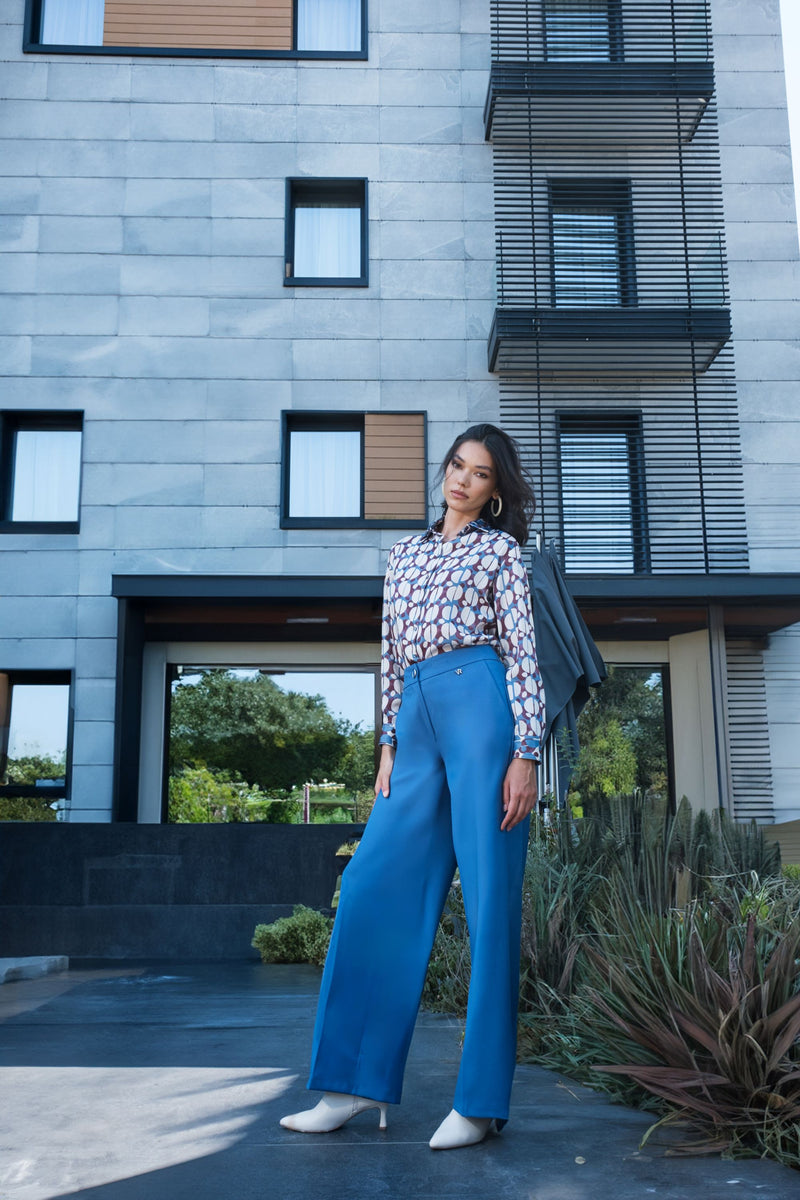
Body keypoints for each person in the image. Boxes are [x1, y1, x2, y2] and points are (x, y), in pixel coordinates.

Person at [280, 423, 545, 1150]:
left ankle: (482, 1103)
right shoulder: (402, 556)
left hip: (483, 709)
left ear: (496, 491)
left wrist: (526, 752)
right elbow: (392, 657)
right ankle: (349, 1086)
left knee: (490, 903)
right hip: (418, 718)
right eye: (457, 466)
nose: (462, 480)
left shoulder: (500, 551)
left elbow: (522, 651)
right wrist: (387, 745)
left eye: (481, 473)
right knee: (370, 887)